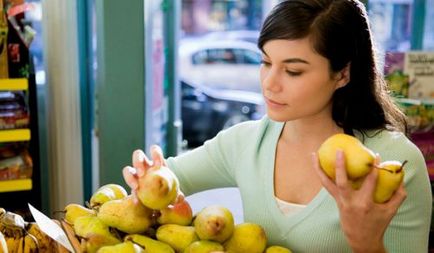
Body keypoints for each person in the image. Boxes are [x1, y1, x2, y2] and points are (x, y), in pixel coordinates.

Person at [123, 0, 432, 252]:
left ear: (342, 74)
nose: (269, 84)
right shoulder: (245, 142)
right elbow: (169, 176)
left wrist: (367, 244)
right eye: (266, 62)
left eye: (293, 71)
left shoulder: (393, 165)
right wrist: (149, 177)